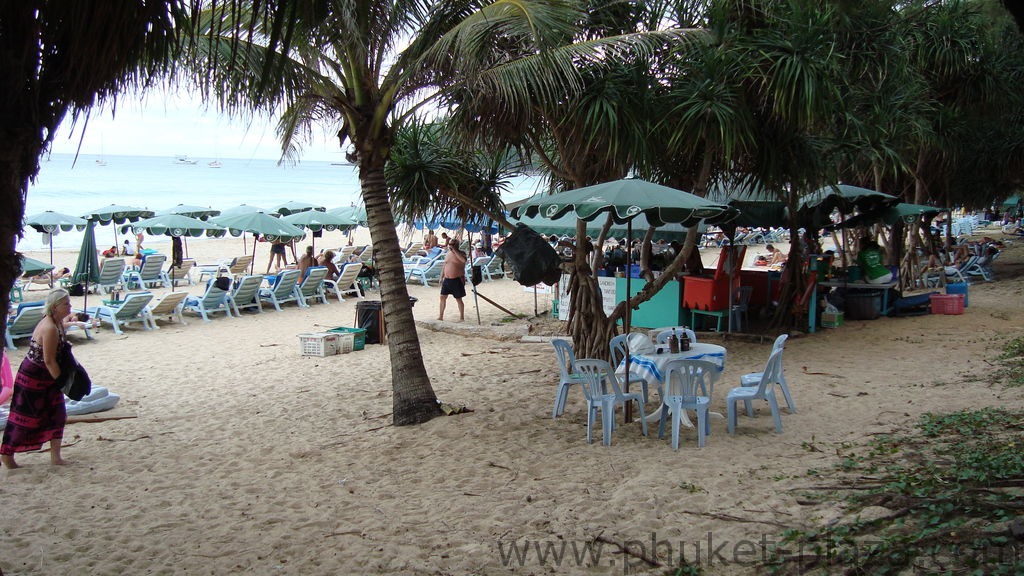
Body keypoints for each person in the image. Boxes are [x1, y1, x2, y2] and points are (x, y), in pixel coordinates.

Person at [1, 289, 74, 468]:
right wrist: (63, 384)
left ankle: (56, 457)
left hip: (45, 376)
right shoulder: (49, 327)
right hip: (34, 378)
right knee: (24, 418)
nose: (69, 306)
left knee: (57, 415)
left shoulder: (55, 322)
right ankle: (7, 455)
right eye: (66, 304)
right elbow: (49, 361)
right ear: (55, 306)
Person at [438, 239, 467, 322]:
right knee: (442, 297)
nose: (450, 245)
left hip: (456, 279)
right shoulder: (448, 253)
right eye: (450, 244)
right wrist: (441, 277)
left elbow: (463, 260)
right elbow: (445, 265)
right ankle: (440, 316)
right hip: (447, 279)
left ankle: (462, 317)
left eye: (452, 244)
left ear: (456, 245)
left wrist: (454, 250)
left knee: (458, 299)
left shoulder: (461, 253)